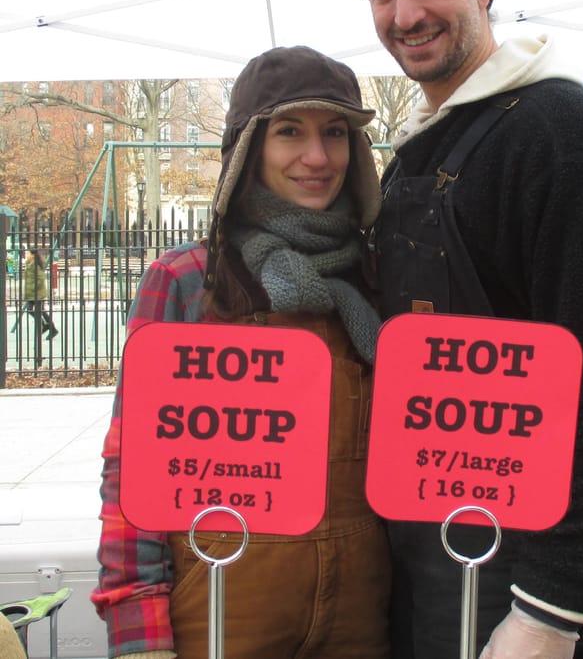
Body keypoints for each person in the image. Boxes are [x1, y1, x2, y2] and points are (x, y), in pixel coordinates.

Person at [350, 0, 583, 658]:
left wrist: (547, 614)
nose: (405, 14)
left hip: (527, 589)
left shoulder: (564, 139)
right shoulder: (427, 144)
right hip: (428, 563)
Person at [91, 45, 391, 659]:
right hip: (221, 608)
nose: (317, 157)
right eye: (290, 132)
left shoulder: (378, 282)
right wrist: (138, 630)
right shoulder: (186, 282)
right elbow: (131, 470)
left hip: (363, 618)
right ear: (249, 148)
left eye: (335, 133)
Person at [23, 247, 58, 340]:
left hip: (37, 293)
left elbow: (41, 278)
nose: (25, 255)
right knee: (31, 310)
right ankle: (45, 325)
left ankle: (52, 328)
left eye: (27, 253)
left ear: (32, 255)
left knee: (40, 311)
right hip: (31, 294)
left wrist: (33, 288)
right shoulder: (29, 264)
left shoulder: (35, 265)